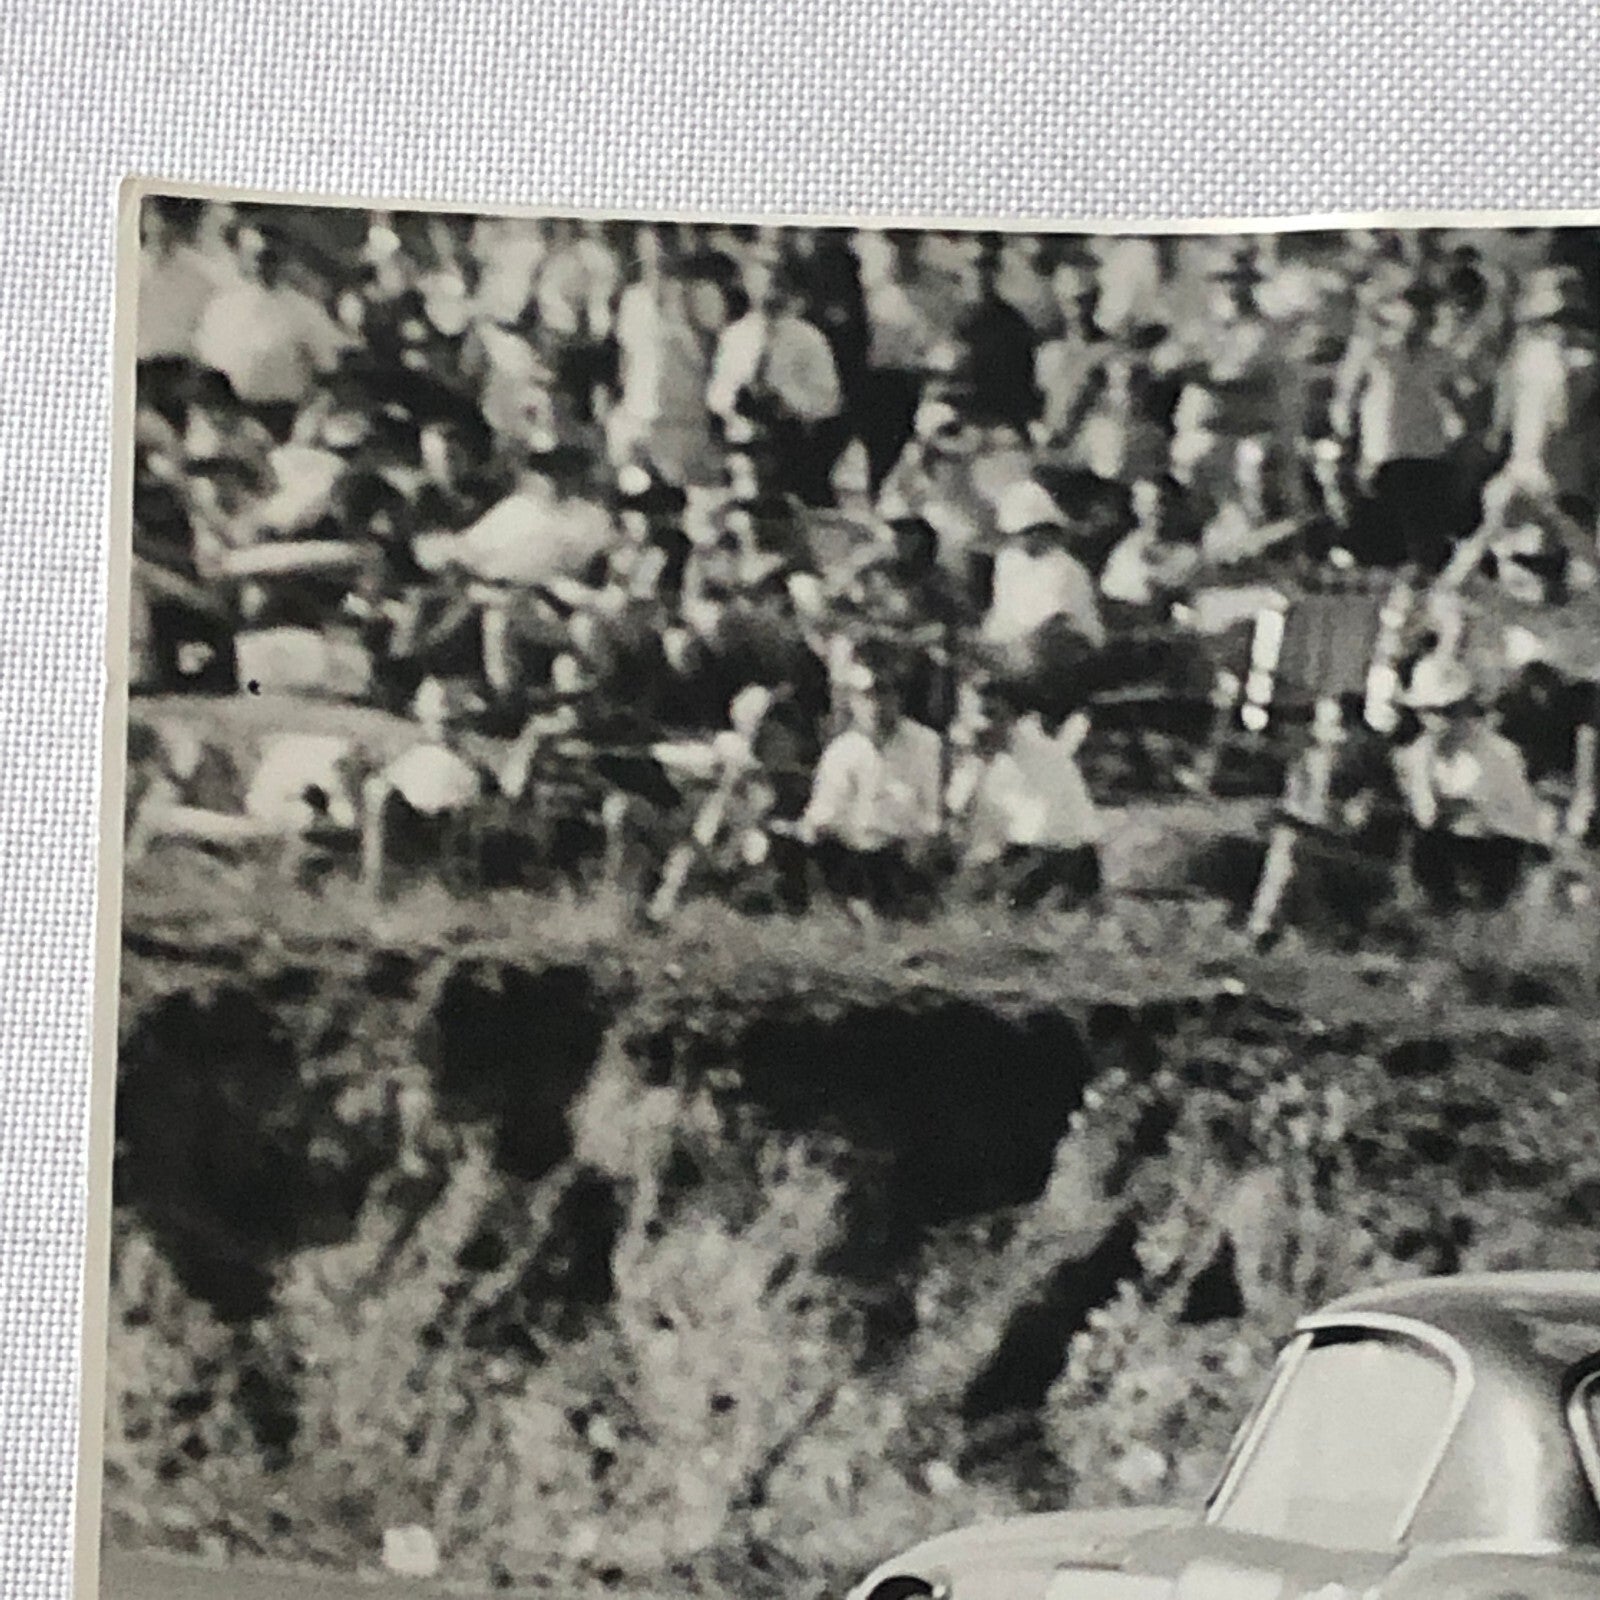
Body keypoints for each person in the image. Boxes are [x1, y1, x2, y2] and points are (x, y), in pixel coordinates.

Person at [1392, 654, 1552, 913]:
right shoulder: (1419, 754)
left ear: (1464, 708)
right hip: (1444, 846)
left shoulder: (1499, 754)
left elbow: (1519, 822)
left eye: (1448, 710)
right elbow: (1425, 815)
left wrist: (1475, 815)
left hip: (1496, 849)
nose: (1438, 720)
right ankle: (1437, 910)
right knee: (1422, 845)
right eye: (1429, 711)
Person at [783, 660, 944, 919]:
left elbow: (931, 811)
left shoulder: (925, 743)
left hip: (902, 848)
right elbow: (824, 809)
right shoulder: (843, 749)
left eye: (885, 693)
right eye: (867, 696)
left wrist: (919, 840)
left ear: (899, 697)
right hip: (853, 850)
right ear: (854, 702)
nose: (877, 704)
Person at [947, 681, 1103, 911]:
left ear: (1010, 719)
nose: (984, 731)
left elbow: (1042, 832)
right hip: (1029, 853)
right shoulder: (990, 763)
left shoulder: (1038, 755)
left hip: (1064, 854)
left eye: (993, 716)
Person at [192, 225, 352, 442]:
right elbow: (205, 364)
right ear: (240, 256)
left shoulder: (304, 310)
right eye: (253, 255)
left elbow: (328, 373)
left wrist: (307, 424)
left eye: (269, 256)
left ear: (283, 258)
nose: (261, 264)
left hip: (281, 419)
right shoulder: (220, 307)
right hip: (227, 418)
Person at [706, 258, 843, 506]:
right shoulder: (735, 337)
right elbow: (718, 394)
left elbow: (827, 401)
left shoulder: (808, 339)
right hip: (744, 444)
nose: (767, 293)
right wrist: (735, 405)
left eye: (773, 284)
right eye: (758, 284)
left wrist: (785, 402)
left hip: (791, 445)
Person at [361, 677, 490, 897]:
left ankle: (455, 886)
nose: (443, 729)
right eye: (438, 722)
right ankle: (377, 886)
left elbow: (472, 802)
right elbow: (390, 786)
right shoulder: (413, 756)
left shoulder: (469, 764)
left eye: (451, 723)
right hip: (410, 826)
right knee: (377, 791)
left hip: (447, 828)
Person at [980, 480, 1106, 670]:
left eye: (1035, 531)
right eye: (1021, 533)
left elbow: (1053, 623)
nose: (1026, 538)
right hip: (1013, 651)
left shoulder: (1065, 568)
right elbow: (1001, 615)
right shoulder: (1008, 562)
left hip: (1064, 657)